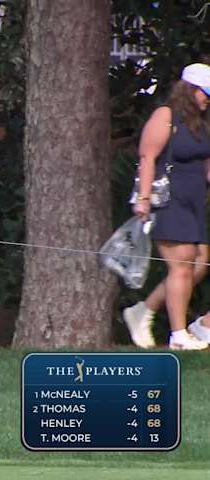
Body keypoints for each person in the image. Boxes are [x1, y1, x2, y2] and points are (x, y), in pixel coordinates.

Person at [130, 62, 210, 350]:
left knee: (199, 262)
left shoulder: (201, 124)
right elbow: (148, 157)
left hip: (194, 201)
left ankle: (144, 310)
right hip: (168, 198)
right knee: (182, 263)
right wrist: (143, 198)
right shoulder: (166, 116)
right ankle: (179, 336)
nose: (207, 100)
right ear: (189, 90)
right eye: (205, 93)